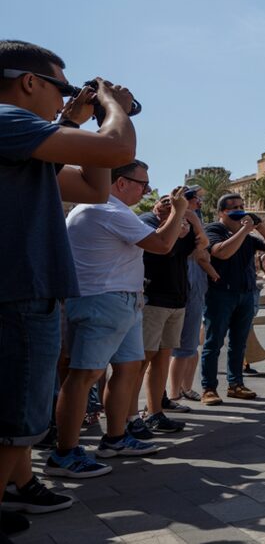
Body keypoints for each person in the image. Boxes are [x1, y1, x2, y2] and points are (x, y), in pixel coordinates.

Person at [0, 40, 136, 527]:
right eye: (60, 87)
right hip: (16, 291)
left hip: (31, 290)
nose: (64, 98)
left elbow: (96, 189)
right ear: (29, 82)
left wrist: (78, 121)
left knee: (25, 409)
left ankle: (21, 483)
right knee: (16, 410)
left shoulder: (25, 146)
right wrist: (112, 106)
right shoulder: (7, 119)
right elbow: (119, 148)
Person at [52, 167, 188, 478]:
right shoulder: (108, 208)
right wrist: (179, 211)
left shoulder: (97, 210)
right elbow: (163, 245)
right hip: (104, 299)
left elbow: (158, 239)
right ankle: (65, 453)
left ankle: (114, 437)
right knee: (83, 376)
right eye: (143, 183)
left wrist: (173, 220)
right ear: (121, 182)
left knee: (128, 367)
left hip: (120, 299)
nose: (147, 189)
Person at [200, 194, 265, 405]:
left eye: (242, 206)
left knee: (239, 343)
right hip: (220, 294)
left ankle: (236, 384)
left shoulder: (247, 236)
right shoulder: (214, 230)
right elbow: (221, 253)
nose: (239, 210)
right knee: (214, 342)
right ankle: (208, 388)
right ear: (221, 213)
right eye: (233, 208)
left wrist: (260, 226)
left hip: (245, 293)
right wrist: (244, 230)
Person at [138, 193, 208, 431]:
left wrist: (193, 221)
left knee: (162, 359)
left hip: (176, 299)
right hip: (153, 299)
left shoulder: (183, 225)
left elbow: (202, 246)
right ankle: (129, 418)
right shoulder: (147, 221)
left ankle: (155, 412)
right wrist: (176, 219)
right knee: (141, 362)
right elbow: (163, 247)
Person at [168, 189, 218, 405]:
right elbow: (201, 247)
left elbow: (203, 251)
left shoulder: (192, 219)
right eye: (196, 199)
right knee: (179, 348)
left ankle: (186, 387)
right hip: (184, 280)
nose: (200, 202)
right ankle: (174, 393)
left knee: (190, 345)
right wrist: (193, 219)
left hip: (195, 282)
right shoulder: (181, 220)